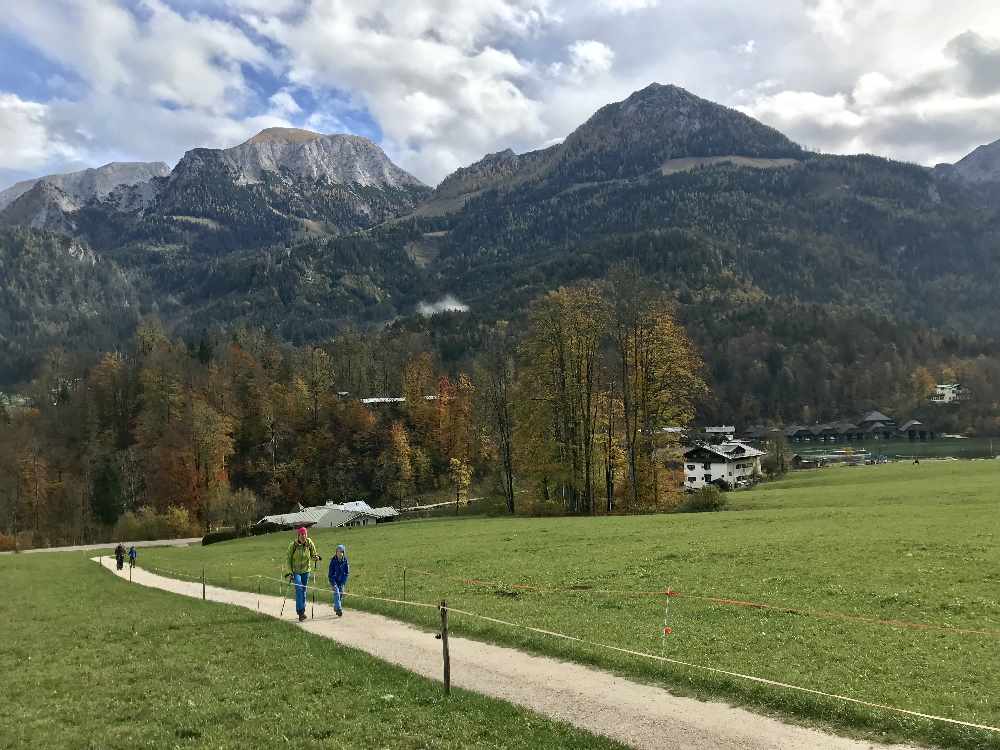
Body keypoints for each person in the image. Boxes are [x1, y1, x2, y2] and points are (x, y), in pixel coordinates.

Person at [286, 527, 320, 622]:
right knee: (299, 589)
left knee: (304, 590)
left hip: (306, 570)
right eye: (302, 534)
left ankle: (302, 611)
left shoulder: (309, 543)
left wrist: (316, 557)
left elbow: (313, 555)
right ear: (298, 535)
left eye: (305, 534)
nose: (303, 536)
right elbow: (288, 560)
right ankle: (300, 612)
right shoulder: (293, 545)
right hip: (296, 572)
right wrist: (289, 572)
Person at [327, 544, 349, 617]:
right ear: (336, 552)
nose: (339, 553)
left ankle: (336, 607)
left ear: (343, 553)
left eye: (340, 552)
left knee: (341, 594)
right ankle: (339, 609)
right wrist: (333, 583)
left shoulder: (345, 561)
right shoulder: (333, 561)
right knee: (336, 592)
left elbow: (346, 573)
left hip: (341, 581)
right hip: (334, 580)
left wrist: (343, 582)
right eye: (337, 552)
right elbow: (330, 574)